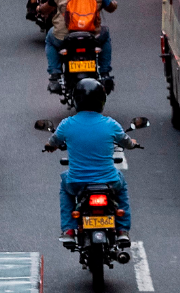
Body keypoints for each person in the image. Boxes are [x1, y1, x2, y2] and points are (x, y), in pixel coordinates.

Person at [44, 79, 139, 247]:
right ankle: (123, 230)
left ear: (75, 100)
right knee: (121, 184)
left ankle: (68, 229)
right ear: (102, 100)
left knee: (64, 185)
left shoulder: (67, 124)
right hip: (109, 181)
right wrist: (133, 143)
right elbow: (127, 143)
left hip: (77, 183)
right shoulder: (111, 124)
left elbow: (53, 141)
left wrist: (50, 147)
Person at [37, 0, 118, 93]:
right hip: (92, 36)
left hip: (64, 37)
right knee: (105, 35)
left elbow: (47, 8)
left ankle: (55, 75)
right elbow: (111, 8)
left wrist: (39, 9)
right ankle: (105, 73)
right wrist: (114, 3)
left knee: (50, 38)